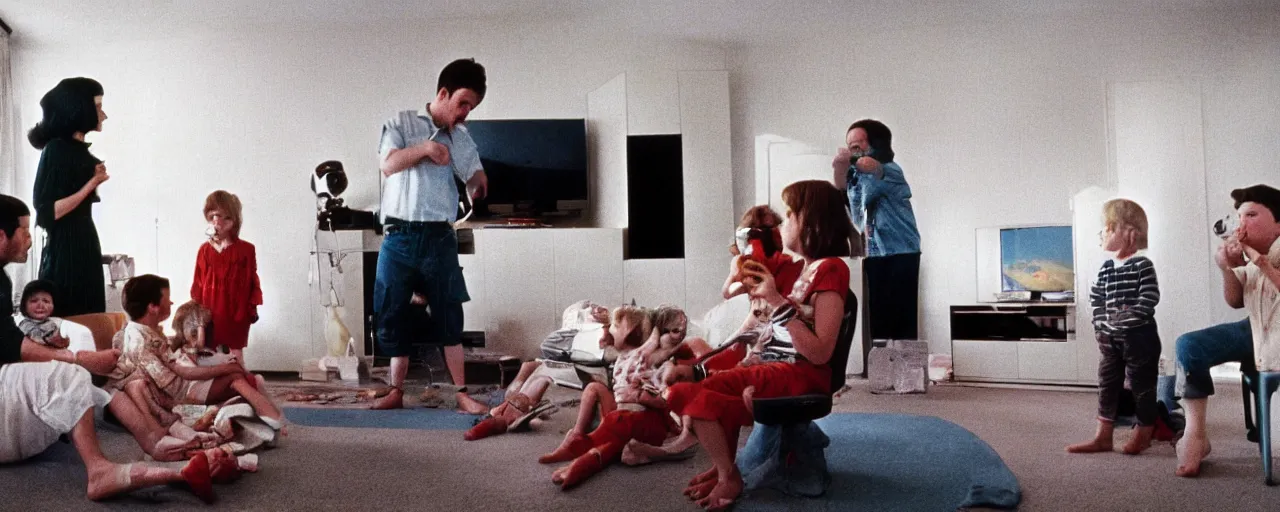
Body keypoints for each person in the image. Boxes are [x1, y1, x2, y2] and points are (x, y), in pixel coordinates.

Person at [0, 194, 217, 502]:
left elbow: (8, 342)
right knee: (70, 374)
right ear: (1, 235)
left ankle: (154, 442)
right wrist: (82, 357)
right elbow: (9, 343)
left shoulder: (3, 278)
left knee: (101, 389)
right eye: (24, 231)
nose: (29, 240)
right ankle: (99, 470)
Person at [663, 180, 857, 510]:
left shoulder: (831, 269)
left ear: (811, 222)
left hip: (799, 373)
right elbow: (751, 311)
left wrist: (776, 300)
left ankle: (729, 477)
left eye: (790, 215)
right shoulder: (807, 271)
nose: (785, 224)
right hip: (773, 367)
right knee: (691, 391)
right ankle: (725, 468)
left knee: (688, 395)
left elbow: (821, 352)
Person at [370, 58, 490, 413]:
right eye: (463, 103)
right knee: (391, 311)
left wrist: (477, 184)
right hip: (398, 236)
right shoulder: (401, 123)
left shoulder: (462, 137)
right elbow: (388, 164)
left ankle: (462, 394)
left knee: (449, 314)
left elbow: (474, 175)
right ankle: (395, 391)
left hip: (439, 237)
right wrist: (425, 149)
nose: (466, 113)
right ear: (443, 93)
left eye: (472, 107)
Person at [1174, 184, 1280, 477]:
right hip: (1256, 328)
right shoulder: (1252, 258)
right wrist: (1228, 268)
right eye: (1238, 216)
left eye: (1252, 215)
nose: (1241, 224)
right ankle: (1195, 434)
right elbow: (1235, 301)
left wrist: (1256, 259)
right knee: (1189, 345)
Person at [106, 275, 284, 431]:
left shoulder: (146, 331)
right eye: (167, 299)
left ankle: (264, 415)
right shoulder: (140, 340)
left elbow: (177, 367)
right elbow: (179, 380)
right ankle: (272, 417)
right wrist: (224, 369)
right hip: (183, 393)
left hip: (185, 385)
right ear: (153, 307)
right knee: (235, 377)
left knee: (238, 375)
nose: (171, 302)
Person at [1066, 199, 1162, 455]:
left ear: (1131, 233)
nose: (1103, 232)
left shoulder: (1143, 265)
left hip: (1139, 338)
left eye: (1109, 227)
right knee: (1107, 384)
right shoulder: (1107, 268)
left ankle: (1144, 433)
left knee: (1142, 385)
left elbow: (1148, 300)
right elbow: (1096, 299)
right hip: (1109, 339)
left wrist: (1121, 321)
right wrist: (1101, 323)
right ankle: (1103, 436)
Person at [832, 119, 920, 342]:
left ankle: (906, 373)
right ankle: (882, 371)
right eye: (850, 145)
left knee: (902, 319)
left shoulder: (890, 170)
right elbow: (845, 195)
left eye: (858, 144)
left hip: (902, 252)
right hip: (874, 253)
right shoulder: (857, 177)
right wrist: (840, 169)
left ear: (876, 143)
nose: (854, 150)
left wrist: (847, 160)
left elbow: (872, 168)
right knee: (878, 319)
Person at [30, 77, 110, 317]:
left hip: (84, 243)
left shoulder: (76, 151)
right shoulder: (55, 150)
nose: (103, 115)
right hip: (66, 250)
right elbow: (47, 213)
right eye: (97, 107)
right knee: (72, 315)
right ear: (80, 109)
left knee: (90, 315)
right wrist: (91, 184)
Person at [190, 190, 262, 365]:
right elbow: (198, 283)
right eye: (213, 216)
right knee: (209, 352)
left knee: (235, 352)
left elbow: (251, 281)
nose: (217, 222)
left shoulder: (246, 250)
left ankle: (241, 383)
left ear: (234, 221)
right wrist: (198, 314)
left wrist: (249, 310)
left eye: (224, 217)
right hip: (210, 309)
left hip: (236, 310)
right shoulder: (204, 250)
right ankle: (217, 387)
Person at [17, 279, 69, 347]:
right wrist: (52, 341)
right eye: (34, 301)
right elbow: (35, 337)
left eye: (46, 301)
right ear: (24, 305)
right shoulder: (24, 324)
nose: (40, 305)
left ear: (53, 305)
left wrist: (64, 341)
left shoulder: (53, 323)